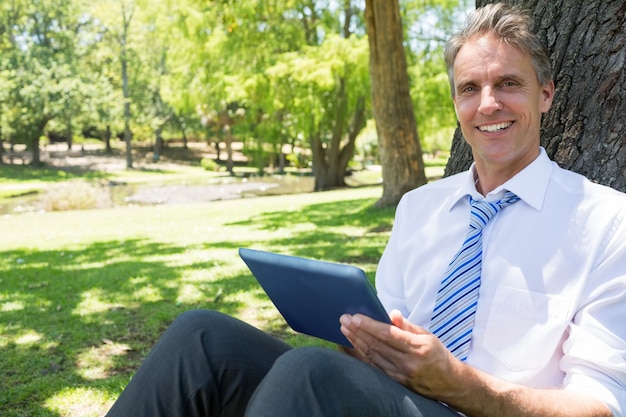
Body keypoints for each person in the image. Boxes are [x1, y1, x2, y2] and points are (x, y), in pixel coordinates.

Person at [106, 3, 626, 417]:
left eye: (508, 83)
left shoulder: (606, 222)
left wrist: (460, 384)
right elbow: (376, 342)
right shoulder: (420, 208)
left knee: (309, 373)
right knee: (201, 337)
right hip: (392, 399)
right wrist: (363, 342)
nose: (488, 103)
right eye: (470, 89)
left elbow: (602, 405)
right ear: (457, 106)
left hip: (486, 410)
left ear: (546, 95)